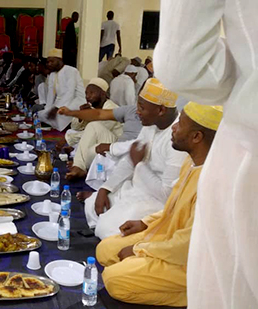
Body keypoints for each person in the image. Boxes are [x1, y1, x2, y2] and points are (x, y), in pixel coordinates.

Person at [154, 1, 258, 307]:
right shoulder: (186, 160)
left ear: (198, 136)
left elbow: (183, 67)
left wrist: (241, 79)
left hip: (246, 161)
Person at [96, 102, 222, 307]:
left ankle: (195, 294)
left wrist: (139, 249)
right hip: (166, 237)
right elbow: (173, 207)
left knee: (113, 279)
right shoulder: (190, 163)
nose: (173, 127)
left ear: (196, 137)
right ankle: (140, 270)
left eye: (179, 124)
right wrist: (145, 223)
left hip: (189, 262)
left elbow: (185, 246)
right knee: (105, 250)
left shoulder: (212, 184)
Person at [81, 78, 187, 240]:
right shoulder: (150, 124)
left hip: (155, 201)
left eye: (141, 108)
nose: (137, 112)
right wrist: (106, 188)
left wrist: (139, 165)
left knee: (105, 228)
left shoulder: (178, 137)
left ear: (161, 110)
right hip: (135, 187)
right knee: (92, 204)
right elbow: (129, 161)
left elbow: (167, 195)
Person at [57, 78, 123, 179]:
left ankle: (78, 164)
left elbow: (94, 129)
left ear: (103, 93)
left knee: (93, 126)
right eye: (86, 93)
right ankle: (80, 165)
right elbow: (75, 127)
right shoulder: (93, 108)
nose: (88, 97)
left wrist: (67, 139)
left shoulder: (112, 108)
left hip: (114, 145)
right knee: (74, 132)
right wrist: (81, 116)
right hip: (100, 143)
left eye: (92, 93)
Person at [37, 48, 86, 131]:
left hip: (75, 100)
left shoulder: (71, 71)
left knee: (60, 114)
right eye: (48, 62)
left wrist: (57, 107)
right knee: (42, 114)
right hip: (60, 102)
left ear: (60, 60)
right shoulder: (52, 74)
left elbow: (70, 93)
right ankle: (53, 125)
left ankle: (63, 127)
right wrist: (48, 109)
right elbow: (50, 95)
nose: (49, 64)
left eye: (52, 61)